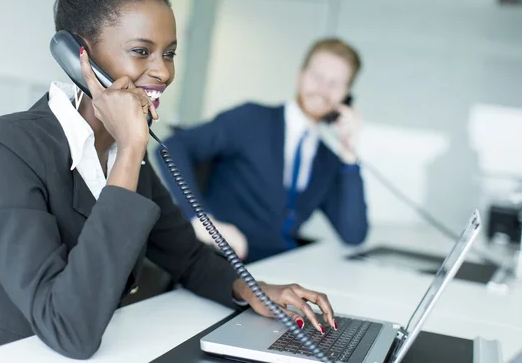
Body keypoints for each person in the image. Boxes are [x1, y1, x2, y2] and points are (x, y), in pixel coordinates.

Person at [0, 0, 339, 360]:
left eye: (169, 53)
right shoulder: (8, 146)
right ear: (79, 55)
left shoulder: (128, 154)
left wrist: (257, 292)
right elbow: (68, 329)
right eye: (141, 51)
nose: (162, 72)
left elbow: (187, 257)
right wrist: (130, 150)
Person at [156, 38, 369, 263]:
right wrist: (200, 219)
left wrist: (349, 152)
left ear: (346, 96)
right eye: (317, 77)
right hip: (224, 261)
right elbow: (171, 146)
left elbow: (353, 234)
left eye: (335, 84)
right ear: (300, 76)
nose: (323, 90)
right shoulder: (251, 119)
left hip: (281, 269)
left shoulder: (327, 160)